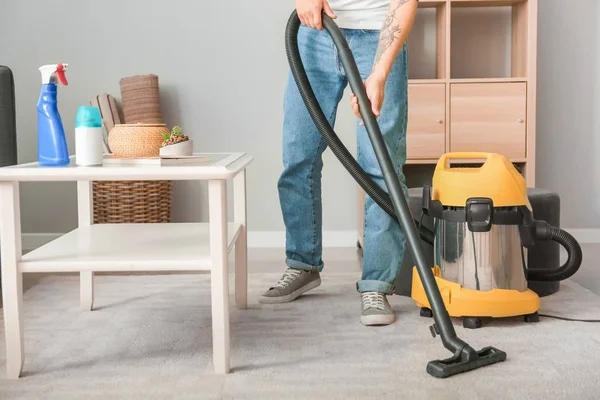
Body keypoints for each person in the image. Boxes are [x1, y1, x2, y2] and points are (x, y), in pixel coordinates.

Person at [260, 0, 419, 326]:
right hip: (315, 32)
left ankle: (377, 284)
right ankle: (302, 264)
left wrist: (379, 74)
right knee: (297, 154)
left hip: (378, 36)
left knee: (381, 165)